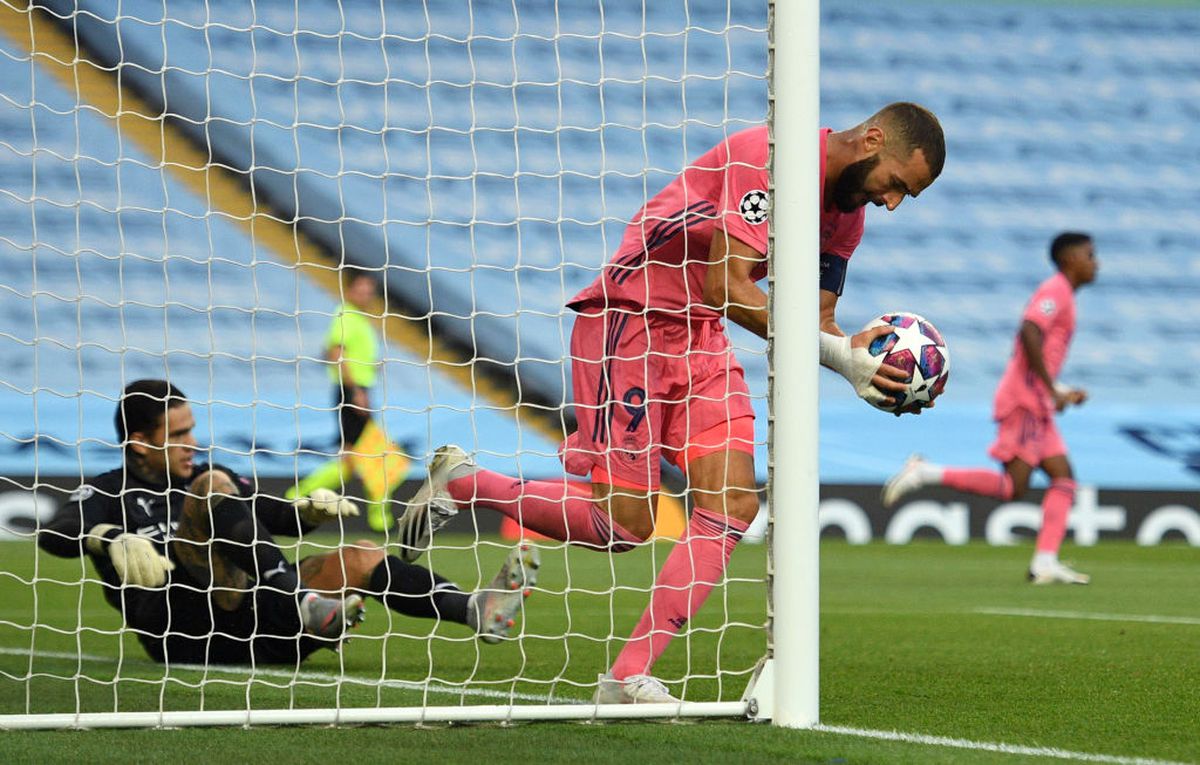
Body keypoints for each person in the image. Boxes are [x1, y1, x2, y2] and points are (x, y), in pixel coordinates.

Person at [397, 103, 945, 702]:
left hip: (702, 337)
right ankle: (464, 483)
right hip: (629, 320)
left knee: (734, 505)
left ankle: (627, 676)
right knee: (624, 526)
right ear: (871, 140)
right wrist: (837, 355)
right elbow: (728, 285)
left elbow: (815, 321)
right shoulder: (766, 157)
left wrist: (862, 366)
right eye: (895, 185)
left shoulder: (847, 217)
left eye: (905, 198)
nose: (891, 203)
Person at [37, 379, 538, 666]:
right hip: (183, 632)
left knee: (362, 556)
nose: (192, 442)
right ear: (142, 443)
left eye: (192, 429)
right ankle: (302, 603)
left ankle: (474, 607)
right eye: (178, 434)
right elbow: (54, 532)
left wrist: (305, 513)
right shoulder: (108, 490)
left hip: (250, 623)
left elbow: (270, 520)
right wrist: (107, 538)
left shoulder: (214, 474)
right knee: (212, 486)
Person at [881, 232, 1098, 584]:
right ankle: (925, 473)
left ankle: (1045, 561)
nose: (1096, 262)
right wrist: (1047, 388)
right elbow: (1029, 332)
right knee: (1014, 487)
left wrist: (1059, 390)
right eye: (1090, 255)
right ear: (1070, 259)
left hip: (1038, 401)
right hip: (1026, 401)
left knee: (1063, 476)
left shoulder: (1065, 296)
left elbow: (1037, 350)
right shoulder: (1056, 290)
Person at [288, 268, 403, 532]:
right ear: (350, 290)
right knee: (383, 456)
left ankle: (298, 494)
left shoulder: (358, 319)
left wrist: (370, 368)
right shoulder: (346, 316)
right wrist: (355, 391)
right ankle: (378, 517)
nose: (367, 295)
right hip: (351, 392)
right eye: (362, 289)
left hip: (356, 389)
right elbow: (335, 352)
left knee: (352, 459)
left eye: (370, 291)